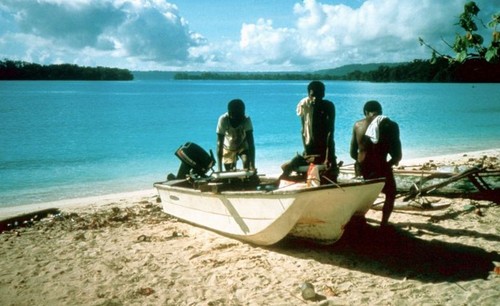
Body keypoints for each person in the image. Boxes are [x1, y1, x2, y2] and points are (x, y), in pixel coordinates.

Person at [350, 100, 402, 226]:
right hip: (380, 167)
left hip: (362, 168)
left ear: (365, 112)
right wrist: (387, 165)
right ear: (380, 112)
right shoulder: (390, 125)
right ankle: (384, 223)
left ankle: (359, 219)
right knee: (390, 194)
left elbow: (352, 152)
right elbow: (397, 155)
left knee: (360, 197)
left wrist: (360, 162)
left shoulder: (357, 125)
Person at [295, 81, 338, 182]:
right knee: (307, 177)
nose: (315, 98)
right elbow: (303, 131)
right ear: (309, 94)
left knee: (330, 175)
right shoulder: (305, 106)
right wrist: (306, 150)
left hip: (325, 148)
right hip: (310, 150)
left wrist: (328, 157)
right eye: (312, 95)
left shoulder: (328, 106)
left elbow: (330, 133)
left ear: (323, 94)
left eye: (318, 95)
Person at [216, 99, 255, 172]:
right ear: (230, 113)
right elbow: (219, 144)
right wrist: (219, 169)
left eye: (241, 116)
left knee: (246, 162)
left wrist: (252, 165)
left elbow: (251, 143)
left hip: (242, 145)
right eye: (236, 118)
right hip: (228, 147)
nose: (239, 120)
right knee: (230, 172)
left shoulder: (246, 119)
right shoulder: (223, 120)